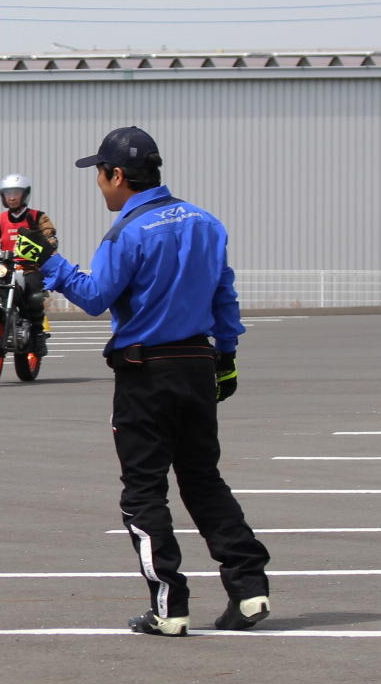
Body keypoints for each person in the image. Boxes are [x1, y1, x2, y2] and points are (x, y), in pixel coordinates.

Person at [34, 127, 271, 637]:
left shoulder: (127, 232)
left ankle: (169, 606)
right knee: (203, 479)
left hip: (146, 371)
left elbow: (96, 296)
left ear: (117, 175)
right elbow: (224, 296)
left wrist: (49, 262)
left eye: (100, 175)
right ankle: (249, 587)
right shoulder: (206, 222)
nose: (99, 186)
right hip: (197, 363)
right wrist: (226, 358)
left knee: (143, 491)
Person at [0, 173, 58, 347]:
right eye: (8, 193)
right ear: (3, 196)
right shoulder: (0, 219)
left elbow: (49, 232)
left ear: (25, 194)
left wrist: (50, 241)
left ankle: (37, 335)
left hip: (29, 266)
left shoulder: (37, 216)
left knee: (34, 296)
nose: (12, 197)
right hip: (6, 266)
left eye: (16, 192)